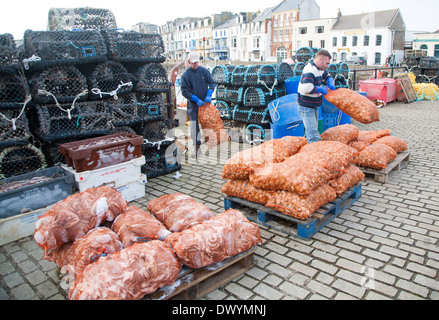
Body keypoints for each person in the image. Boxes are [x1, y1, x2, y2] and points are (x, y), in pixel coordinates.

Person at [181, 51, 216, 158]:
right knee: (193, 126)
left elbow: (212, 83)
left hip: (205, 103)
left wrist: (209, 94)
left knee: (208, 124)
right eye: (193, 63)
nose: (195, 64)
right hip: (193, 105)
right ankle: (197, 148)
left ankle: (211, 143)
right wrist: (195, 99)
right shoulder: (185, 76)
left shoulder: (204, 71)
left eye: (197, 62)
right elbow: (184, 91)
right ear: (188, 62)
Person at [297, 49, 336, 143]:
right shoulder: (310, 70)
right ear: (319, 59)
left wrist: (330, 81)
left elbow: (327, 75)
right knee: (313, 134)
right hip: (306, 106)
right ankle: (315, 152)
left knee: (310, 130)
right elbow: (307, 88)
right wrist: (321, 89)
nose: (327, 66)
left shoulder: (320, 69)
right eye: (326, 63)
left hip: (313, 105)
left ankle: (307, 150)